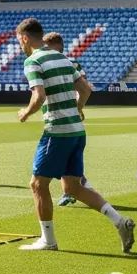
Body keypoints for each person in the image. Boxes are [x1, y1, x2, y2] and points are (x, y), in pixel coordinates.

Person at [15, 17, 134, 253]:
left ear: (25, 38)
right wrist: (78, 109)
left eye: (19, 40)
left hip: (56, 131)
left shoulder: (32, 61)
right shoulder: (63, 58)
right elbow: (86, 89)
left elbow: (38, 96)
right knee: (72, 188)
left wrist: (25, 113)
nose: (20, 44)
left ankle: (48, 240)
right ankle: (120, 222)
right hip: (77, 131)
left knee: (38, 184)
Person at [43, 31, 94, 208]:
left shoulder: (55, 64)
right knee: (70, 154)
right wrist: (80, 107)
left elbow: (84, 87)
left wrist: (77, 106)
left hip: (62, 115)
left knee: (62, 153)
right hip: (70, 113)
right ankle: (79, 186)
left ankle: (74, 189)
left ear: (54, 46)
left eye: (46, 47)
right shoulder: (73, 64)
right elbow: (85, 86)